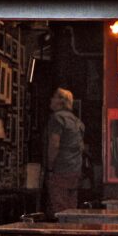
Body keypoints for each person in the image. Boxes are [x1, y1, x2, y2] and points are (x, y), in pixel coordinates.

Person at [44, 87, 85, 218]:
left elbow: (54, 144)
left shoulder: (57, 118)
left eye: (54, 97)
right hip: (75, 169)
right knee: (71, 208)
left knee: (59, 208)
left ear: (61, 101)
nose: (51, 99)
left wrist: (50, 167)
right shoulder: (76, 121)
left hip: (60, 168)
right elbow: (81, 146)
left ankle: (61, 235)